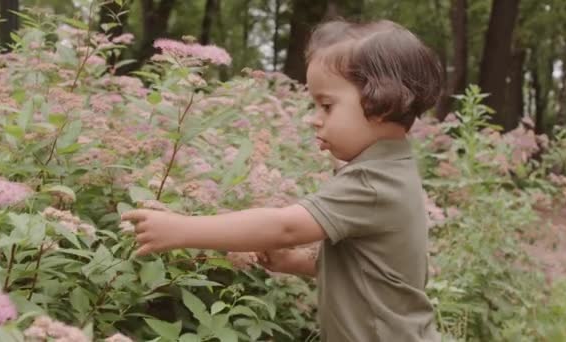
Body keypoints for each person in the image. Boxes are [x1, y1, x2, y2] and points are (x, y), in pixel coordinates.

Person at [122, 19, 442, 342]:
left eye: (327, 106)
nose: (313, 119)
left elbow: (284, 227)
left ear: (381, 104)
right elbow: (369, 271)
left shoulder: (372, 182)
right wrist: (295, 261)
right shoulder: (392, 169)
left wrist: (181, 229)